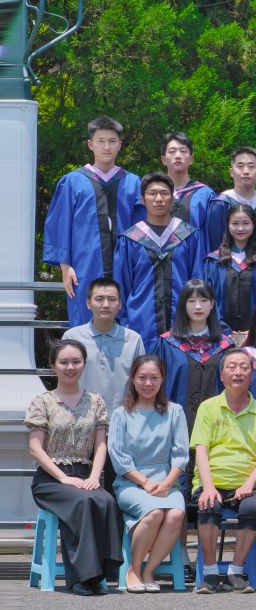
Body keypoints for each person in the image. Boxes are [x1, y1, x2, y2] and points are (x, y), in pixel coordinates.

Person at [27, 340, 121, 595]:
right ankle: (81, 578)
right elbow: (35, 448)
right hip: (50, 479)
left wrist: (95, 477)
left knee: (105, 501)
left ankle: (100, 572)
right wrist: (63, 478)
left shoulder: (95, 402)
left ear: (84, 364)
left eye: (76, 361)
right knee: (82, 502)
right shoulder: (42, 402)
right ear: (53, 366)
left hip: (84, 474)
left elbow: (101, 445)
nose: (70, 367)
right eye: (64, 362)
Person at [44, 116, 140, 326]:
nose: (107, 147)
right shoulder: (73, 181)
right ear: (90, 144)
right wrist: (65, 267)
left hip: (124, 268)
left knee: (125, 324)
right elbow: (60, 225)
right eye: (101, 141)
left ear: (120, 145)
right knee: (84, 324)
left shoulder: (133, 183)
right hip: (84, 266)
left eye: (112, 141)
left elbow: (141, 229)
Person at [191, 348, 256, 593]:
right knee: (209, 505)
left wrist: (249, 483)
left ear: (251, 375)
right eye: (231, 367)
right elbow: (201, 450)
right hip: (211, 481)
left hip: (245, 485)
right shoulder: (208, 407)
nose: (238, 372)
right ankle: (210, 572)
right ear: (222, 375)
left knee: (251, 508)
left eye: (244, 367)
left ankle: (236, 570)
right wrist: (208, 486)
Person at [106, 355, 187, 593]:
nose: (148, 383)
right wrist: (145, 483)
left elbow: (180, 454)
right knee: (154, 513)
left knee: (175, 514)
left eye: (154, 377)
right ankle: (134, 569)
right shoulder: (121, 414)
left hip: (166, 481)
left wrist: (167, 483)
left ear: (162, 379)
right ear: (132, 379)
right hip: (130, 483)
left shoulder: (174, 412)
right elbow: (118, 456)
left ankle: (150, 570)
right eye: (142, 377)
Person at [113, 172, 206, 342]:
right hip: (140, 323)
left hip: (182, 321)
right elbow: (122, 285)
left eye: (164, 193)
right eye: (152, 193)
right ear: (143, 199)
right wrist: (123, 321)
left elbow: (198, 278)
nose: (158, 199)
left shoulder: (188, 235)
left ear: (172, 198)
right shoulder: (130, 238)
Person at [156, 279, 240, 420]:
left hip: (219, 422)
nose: (198, 306)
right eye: (191, 301)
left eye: (204, 300)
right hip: (175, 421)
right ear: (183, 304)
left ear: (212, 304)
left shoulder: (225, 346)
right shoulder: (167, 344)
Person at [64, 277, 147, 415]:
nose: (106, 305)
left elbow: (142, 382)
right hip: (81, 419)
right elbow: (64, 381)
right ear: (88, 303)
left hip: (123, 419)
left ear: (120, 304)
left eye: (112, 299)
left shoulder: (133, 340)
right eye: (99, 299)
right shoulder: (72, 337)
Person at [200, 202, 256, 341]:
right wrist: (223, 330)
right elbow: (208, 299)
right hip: (219, 335)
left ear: (254, 225)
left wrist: (254, 329)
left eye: (246, 223)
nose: (240, 228)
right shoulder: (214, 261)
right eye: (235, 223)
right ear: (228, 225)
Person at [202, 147, 256, 265]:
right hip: (226, 268)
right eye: (240, 166)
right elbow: (214, 242)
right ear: (231, 171)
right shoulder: (221, 203)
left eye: (251, 166)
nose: (246, 171)